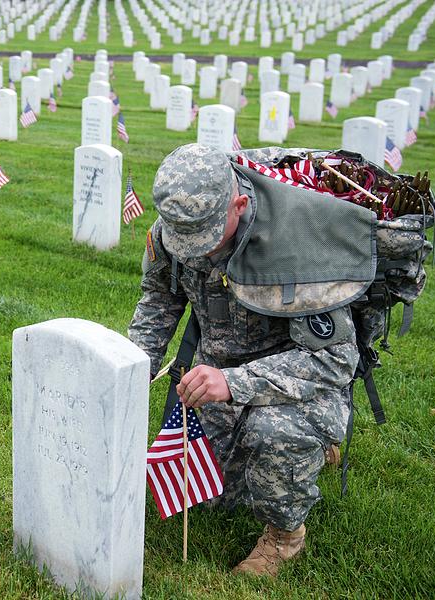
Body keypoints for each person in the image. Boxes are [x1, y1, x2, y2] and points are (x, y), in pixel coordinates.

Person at [129, 143, 358, 577]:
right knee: (215, 497)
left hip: (297, 386)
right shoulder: (178, 226)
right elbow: (159, 299)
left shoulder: (295, 244)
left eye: (206, 238)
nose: (195, 253)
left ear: (239, 204)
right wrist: (132, 367)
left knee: (272, 435)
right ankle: (309, 454)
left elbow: (334, 361)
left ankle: (285, 537)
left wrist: (236, 383)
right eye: (185, 243)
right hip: (216, 376)